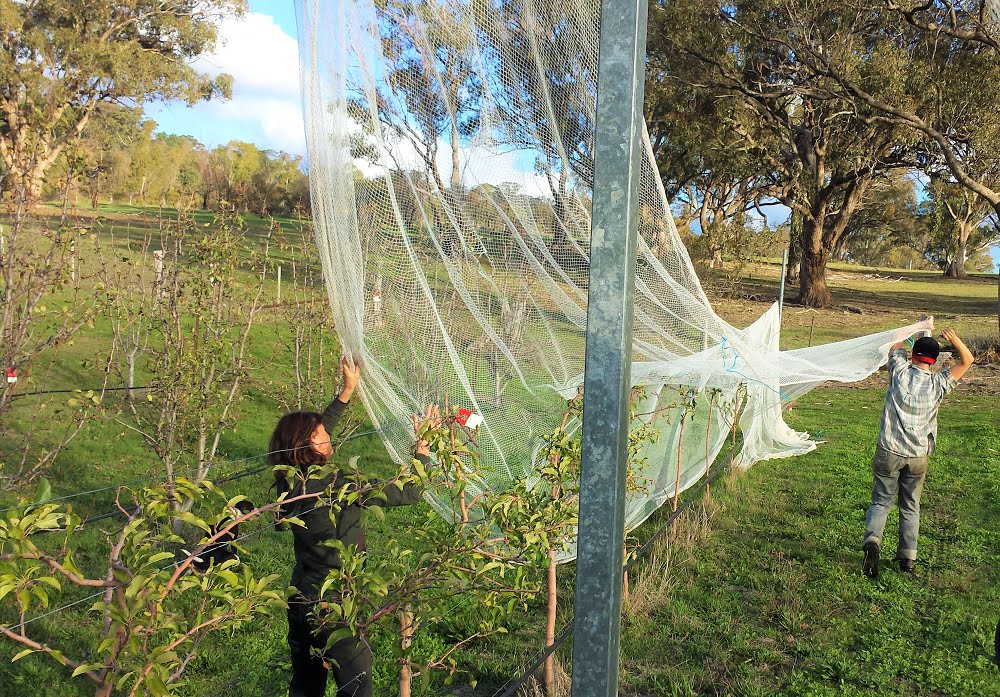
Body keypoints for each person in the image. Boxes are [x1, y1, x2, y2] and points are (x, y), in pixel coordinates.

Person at [269, 356, 435, 697]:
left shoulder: (287, 480)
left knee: (305, 685)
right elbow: (410, 492)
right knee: (357, 686)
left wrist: (346, 393)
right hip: (335, 603)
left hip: (301, 597)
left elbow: (312, 432)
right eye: (322, 435)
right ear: (307, 446)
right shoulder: (341, 487)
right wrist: (423, 452)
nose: (329, 437)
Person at [861, 326, 974, 578]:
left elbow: (895, 344)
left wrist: (916, 329)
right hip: (917, 457)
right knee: (910, 507)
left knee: (881, 501)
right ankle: (907, 559)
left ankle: (872, 542)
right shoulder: (938, 383)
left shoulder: (899, 372)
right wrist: (954, 339)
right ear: (934, 361)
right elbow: (968, 360)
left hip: (888, 451)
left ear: (913, 355)